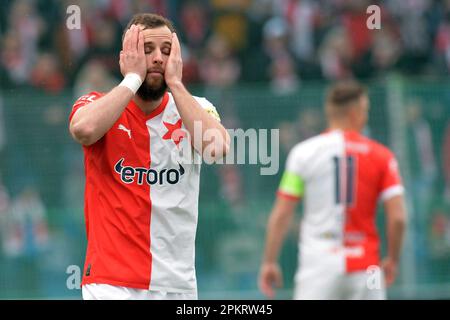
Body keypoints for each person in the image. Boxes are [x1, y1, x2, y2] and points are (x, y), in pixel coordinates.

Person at [68, 13, 229, 300]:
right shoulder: (96, 103)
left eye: (166, 51)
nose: (157, 59)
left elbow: (216, 149)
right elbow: (84, 130)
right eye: (146, 50)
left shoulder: (198, 107)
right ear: (126, 56)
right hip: (111, 282)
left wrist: (178, 85)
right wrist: (132, 77)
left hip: (176, 284)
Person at [258, 81, 407, 300]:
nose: (366, 117)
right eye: (365, 111)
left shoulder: (303, 154)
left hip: (318, 265)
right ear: (354, 112)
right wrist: (392, 259)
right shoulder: (383, 157)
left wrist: (270, 262)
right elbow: (398, 219)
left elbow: (282, 214)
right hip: (368, 268)